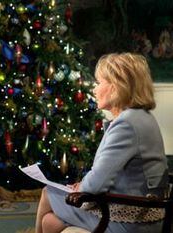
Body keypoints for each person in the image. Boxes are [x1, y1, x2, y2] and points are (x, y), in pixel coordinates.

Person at [35, 53, 169, 233]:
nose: (94, 90)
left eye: (99, 83)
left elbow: (95, 186)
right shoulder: (142, 117)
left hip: (131, 221)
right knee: (50, 222)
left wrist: (81, 187)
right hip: (139, 212)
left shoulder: (127, 124)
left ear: (116, 86)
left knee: (47, 194)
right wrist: (82, 186)